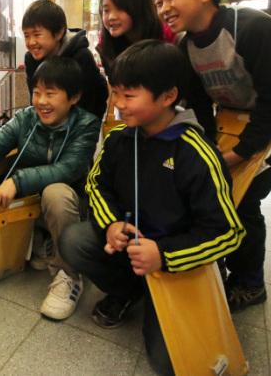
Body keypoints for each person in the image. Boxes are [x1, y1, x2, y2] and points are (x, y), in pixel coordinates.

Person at [58, 40, 245, 374]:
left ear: (168, 97)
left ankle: (156, 292)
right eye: (116, 93)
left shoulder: (197, 153)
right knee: (74, 240)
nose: (117, 104)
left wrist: (165, 255)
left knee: (168, 361)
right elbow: (96, 185)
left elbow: (228, 233)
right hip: (133, 249)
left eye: (129, 96)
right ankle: (129, 290)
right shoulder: (119, 138)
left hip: (179, 264)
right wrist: (112, 225)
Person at [154, 0, 271, 312]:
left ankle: (250, 282)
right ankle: (221, 260)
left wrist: (239, 154)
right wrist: (210, 149)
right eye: (158, 1)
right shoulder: (186, 46)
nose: (163, 8)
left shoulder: (252, 29)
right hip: (236, 109)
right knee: (214, 184)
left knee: (245, 196)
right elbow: (199, 103)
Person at [0, 56, 101, 320]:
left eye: (51, 93)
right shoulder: (25, 119)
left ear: (74, 97)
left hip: (66, 208)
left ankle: (68, 275)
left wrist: (16, 181)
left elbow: (70, 169)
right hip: (28, 207)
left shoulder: (87, 124)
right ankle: (42, 244)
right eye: (36, 93)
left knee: (55, 191)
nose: (41, 101)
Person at [22, 0, 109, 121]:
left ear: (58, 33)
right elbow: (34, 97)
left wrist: (87, 129)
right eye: (26, 36)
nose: (31, 42)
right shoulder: (31, 59)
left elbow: (89, 99)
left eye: (37, 35)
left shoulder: (81, 56)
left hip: (83, 120)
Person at [96, 0, 177, 77]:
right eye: (106, 10)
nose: (111, 17)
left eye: (120, 8)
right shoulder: (106, 42)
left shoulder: (169, 37)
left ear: (140, 7)